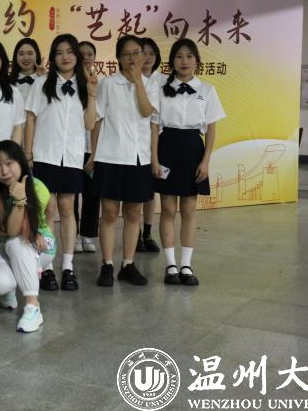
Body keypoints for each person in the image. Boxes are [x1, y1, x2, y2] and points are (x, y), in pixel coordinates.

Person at [24, 33, 97, 291]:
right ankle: (46, 267)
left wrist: (92, 94)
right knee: (47, 209)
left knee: (68, 208)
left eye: (69, 52)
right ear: (53, 57)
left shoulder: (86, 86)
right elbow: (30, 118)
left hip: (72, 156)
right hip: (45, 154)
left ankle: (68, 267)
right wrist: (28, 154)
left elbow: (90, 124)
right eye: (59, 52)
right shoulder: (41, 83)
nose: (65, 57)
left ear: (76, 55)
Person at [151, 38, 225, 285]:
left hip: (194, 149)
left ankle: (186, 265)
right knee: (168, 209)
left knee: (189, 210)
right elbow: (154, 127)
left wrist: (206, 161)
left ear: (197, 61)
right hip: (167, 147)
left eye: (189, 56)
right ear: (172, 61)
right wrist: (154, 159)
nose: (184, 61)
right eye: (179, 56)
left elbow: (211, 129)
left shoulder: (207, 90)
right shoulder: (161, 89)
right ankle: (170, 264)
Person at [91, 35, 159, 287]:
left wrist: (138, 80)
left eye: (137, 53)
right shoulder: (108, 84)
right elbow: (97, 120)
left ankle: (128, 265)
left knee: (132, 214)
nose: (133, 58)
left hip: (139, 158)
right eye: (127, 54)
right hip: (110, 155)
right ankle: (107, 264)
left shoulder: (151, 85)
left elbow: (146, 112)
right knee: (109, 213)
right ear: (118, 58)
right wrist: (93, 154)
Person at [0, 140, 54, 333]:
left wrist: (22, 200)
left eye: (9, 163)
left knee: (16, 243)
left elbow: (19, 232)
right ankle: (9, 288)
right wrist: (19, 200)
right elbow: (9, 230)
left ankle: (33, 306)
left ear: (20, 162)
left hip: (39, 245)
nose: (4, 171)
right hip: (1, 245)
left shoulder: (38, 187)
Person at [137, 37, 162, 253]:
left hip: (159, 140)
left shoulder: (163, 80)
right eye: (143, 53)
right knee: (136, 193)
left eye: (151, 53)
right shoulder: (129, 79)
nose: (147, 57)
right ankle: (136, 235)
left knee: (151, 191)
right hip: (135, 142)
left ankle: (147, 232)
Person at [74, 40, 99, 254]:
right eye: (81, 53)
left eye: (90, 53)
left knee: (92, 194)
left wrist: (96, 152)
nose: (86, 57)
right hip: (72, 149)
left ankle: (88, 235)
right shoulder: (69, 83)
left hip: (93, 149)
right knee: (71, 195)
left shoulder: (101, 84)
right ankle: (73, 234)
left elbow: (100, 121)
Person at [9, 37, 46, 103]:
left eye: (30, 53)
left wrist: (43, 78)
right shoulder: (7, 82)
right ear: (15, 57)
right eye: (21, 54)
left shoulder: (45, 80)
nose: (26, 58)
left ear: (37, 56)